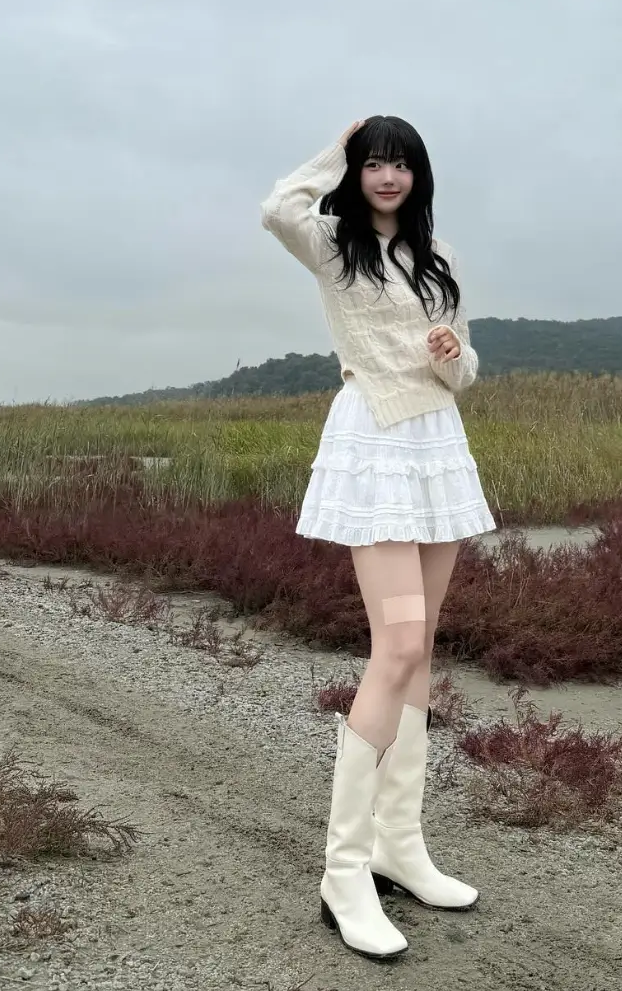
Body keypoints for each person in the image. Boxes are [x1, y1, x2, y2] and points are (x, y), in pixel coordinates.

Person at [261, 116, 496, 961]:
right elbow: (277, 208)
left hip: (435, 446)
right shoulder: (334, 246)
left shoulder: (441, 258)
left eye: (399, 163)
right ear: (356, 173)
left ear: (418, 174)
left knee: (420, 648)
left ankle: (400, 844)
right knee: (395, 644)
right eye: (373, 163)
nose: (387, 175)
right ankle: (344, 870)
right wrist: (337, 146)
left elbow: (463, 371)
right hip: (376, 447)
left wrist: (451, 351)